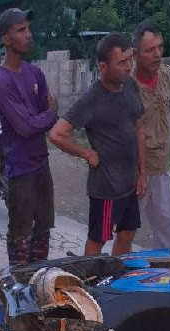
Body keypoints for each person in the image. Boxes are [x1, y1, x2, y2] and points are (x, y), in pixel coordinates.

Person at [49, 33, 145, 256]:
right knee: (98, 240)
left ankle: (115, 277)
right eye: (121, 62)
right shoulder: (91, 99)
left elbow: (139, 129)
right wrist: (87, 153)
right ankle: (90, 282)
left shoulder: (130, 85)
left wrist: (143, 174)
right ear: (103, 67)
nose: (128, 66)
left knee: (127, 233)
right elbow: (57, 134)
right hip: (106, 188)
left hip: (129, 184)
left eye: (130, 59)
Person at [0, 8, 58, 265]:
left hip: (42, 164)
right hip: (20, 170)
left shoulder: (35, 73)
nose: (28, 35)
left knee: (43, 232)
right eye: (21, 30)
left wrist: (44, 116)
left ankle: (40, 282)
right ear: (6, 40)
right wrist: (50, 115)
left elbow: (40, 116)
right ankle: (18, 288)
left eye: (28, 29)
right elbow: (27, 127)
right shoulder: (1, 82)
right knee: (20, 236)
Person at [133, 21, 170, 249]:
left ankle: (165, 274)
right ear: (135, 53)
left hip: (162, 166)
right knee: (124, 231)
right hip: (135, 170)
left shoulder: (168, 74)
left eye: (160, 47)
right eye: (150, 50)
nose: (157, 54)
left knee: (168, 226)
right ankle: (110, 277)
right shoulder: (127, 84)